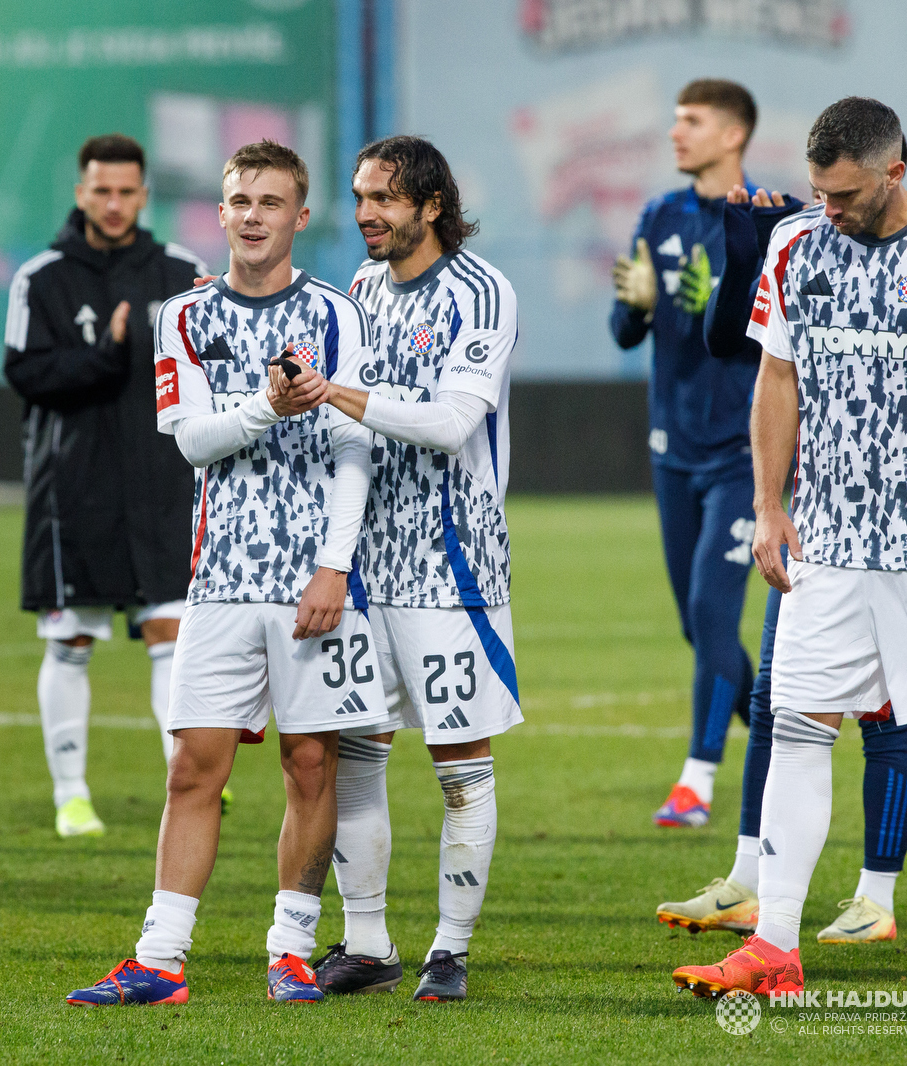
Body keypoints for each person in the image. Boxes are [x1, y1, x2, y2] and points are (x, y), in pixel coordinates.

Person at [675, 96, 907, 997]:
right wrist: (768, 503)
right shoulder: (794, 245)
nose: (826, 208)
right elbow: (777, 378)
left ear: (894, 173)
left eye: (845, 194)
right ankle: (775, 948)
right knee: (796, 729)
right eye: (819, 191)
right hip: (826, 544)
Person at [65, 140, 385, 1006]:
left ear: (299, 216)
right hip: (218, 579)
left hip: (312, 584)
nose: (252, 217)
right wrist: (265, 405)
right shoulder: (184, 315)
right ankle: (161, 958)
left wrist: (333, 567)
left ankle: (290, 950)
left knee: (312, 762)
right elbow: (192, 440)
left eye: (270, 203)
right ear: (220, 210)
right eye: (239, 201)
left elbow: (358, 448)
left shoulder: (336, 315)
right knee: (192, 767)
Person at [656, 167, 907, 945]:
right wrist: (746, 252)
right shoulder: (797, 241)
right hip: (812, 520)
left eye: (695, 121)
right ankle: (751, 879)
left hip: (896, 525)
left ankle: (877, 894)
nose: (680, 134)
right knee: (779, 697)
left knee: (885, 706)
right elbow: (730, 346)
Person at [306, 136, 520, 1002]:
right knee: (358, 751)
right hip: (364, 562)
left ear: (431, 204)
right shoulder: (359, 290)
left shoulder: (482, 291)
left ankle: (451, 951)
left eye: (385, 198)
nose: (366, 212)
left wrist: (331, 391)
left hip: (451, 567)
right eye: (360, 196)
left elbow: (447, 424)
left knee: (459, 763)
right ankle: (367, 943)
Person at [3, 134, 208, 838]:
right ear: (80, 191)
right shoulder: (43, 276)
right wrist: (104, 356)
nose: (114, 204)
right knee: (71, 640)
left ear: (145, 195)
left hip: (162, 485)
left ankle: (187, 776)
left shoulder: (184, 271)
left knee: (170, 635)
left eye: (127, 191)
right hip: (74, 490)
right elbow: (24, 376)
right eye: (101, 190)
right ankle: (71, 795)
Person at [610, 79, 763, 829]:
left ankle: (696, 783)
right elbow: (624, 331)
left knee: (710, 611)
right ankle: (776, 727)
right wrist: (636, 300)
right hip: (672, 448)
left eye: (691, 122)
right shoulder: (659, 215)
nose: (676, 134)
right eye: (674, 120)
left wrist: (717, 304)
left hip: (743, 453)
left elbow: (758, 339)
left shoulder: (765, 222)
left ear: (732, 135)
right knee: (694, 625)